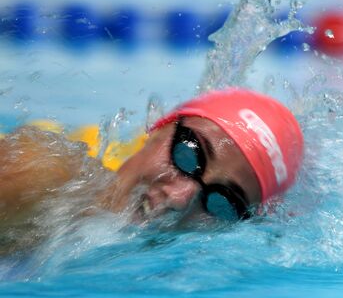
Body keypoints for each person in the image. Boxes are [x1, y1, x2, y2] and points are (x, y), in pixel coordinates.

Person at [0, 88, 304, 252]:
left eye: (224, 201)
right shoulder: (44, 174)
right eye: (189, 154)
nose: (182, 198)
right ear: (160, 126)